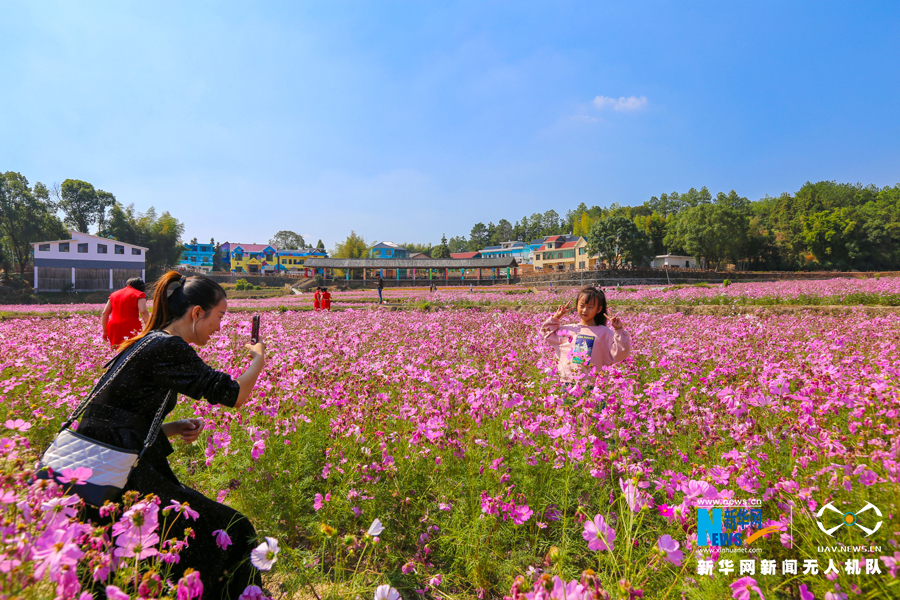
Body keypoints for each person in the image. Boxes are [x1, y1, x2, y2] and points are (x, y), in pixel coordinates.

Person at [78, 271, 266, 599]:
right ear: (196, 313)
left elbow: (112, 417)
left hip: (98, 465)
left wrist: (169, 428)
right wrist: (259, 360)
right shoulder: (168, 347)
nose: (220, 327)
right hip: (115, 472)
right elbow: (232, 395)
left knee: (156, 551)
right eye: (219, 316)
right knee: (231, 530)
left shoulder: (149, 342)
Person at [540, 286, 630, 392]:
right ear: (576, 306)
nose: (584, 310)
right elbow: (545, 333)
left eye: (590, 307)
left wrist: (619, 330)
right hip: (569, 383)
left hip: (594, 385)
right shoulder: (569, 329)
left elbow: (621, 353)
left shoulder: (604, 332)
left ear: (599, 309)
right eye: (581, 306)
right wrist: (556, 317)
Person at [101, 277, 150, 348]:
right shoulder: (139, 294)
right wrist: (150, 327)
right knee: (132, 350)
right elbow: (143, 312)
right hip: (131, 325)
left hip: (113, 326)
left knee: (116, 351)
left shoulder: (113, 294)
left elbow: (105, 313)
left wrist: (105, 330)